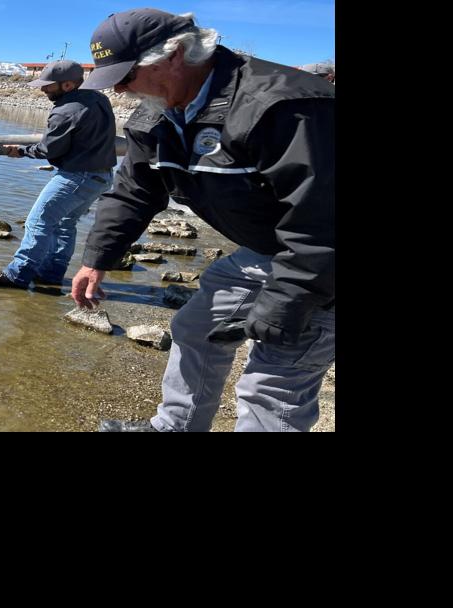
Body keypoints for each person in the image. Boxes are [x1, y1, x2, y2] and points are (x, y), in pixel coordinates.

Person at [71, 9, 336, 432]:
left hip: (322, 259)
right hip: (264, 250)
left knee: (272, 379)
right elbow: (134, 191)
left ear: (175, 54)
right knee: (195, 329)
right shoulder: (155, 114)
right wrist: (98, 258)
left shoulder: (283, 106)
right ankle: (176, 426)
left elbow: (320, 222)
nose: (120, 90)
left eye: (125, 76)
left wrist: (286, 303)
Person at [0, 59, 118, 291]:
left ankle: (16, 276)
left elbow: (49, 150)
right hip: (101, 176)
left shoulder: (64, 111)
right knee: (65, 224)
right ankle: (51, 275)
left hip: (76, 177)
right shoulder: (98, 97)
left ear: (68, 85)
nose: (43, 89)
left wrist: (21, 151)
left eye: (48, 85)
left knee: (38, 222)